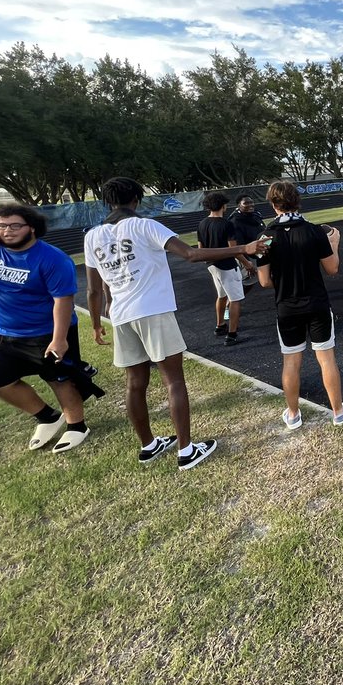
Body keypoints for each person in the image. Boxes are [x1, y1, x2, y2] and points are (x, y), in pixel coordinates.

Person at [85, 177, 269, 470]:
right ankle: (186, 451)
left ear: (107, 201)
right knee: (174, 380)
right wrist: (241, 250)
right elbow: (191, 254)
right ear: (136, 199)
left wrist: (96, 324)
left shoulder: (92, 236)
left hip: (120, 315)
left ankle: (147, 445)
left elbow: (95, 289)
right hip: (153, 310)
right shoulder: (144, 225)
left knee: (135, 384)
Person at [0, 204, 101, 454]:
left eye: (15, 225)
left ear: (32, 228)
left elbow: (63, 301)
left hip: (46, 331)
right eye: (1, 226)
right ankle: (48, 417)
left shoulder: (53, 258)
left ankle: (77, 426)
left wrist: (59, 339)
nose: (7, 231)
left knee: (59, 379)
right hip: (4, 332)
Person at [256, 180, 343, 431]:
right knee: (326, 359)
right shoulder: (314, 231)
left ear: (273, 204)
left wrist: (285, 281)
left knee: (291, 361)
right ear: (297, 201)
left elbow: (263, 281)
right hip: (316, 304)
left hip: (287, 307)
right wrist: (335, 244)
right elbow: (332, 268)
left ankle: (293, 415)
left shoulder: (265, 237)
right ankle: (338, 412)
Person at [197, 191, 247, 346]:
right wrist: (247, 263)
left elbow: (200, 248)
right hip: (227, 266)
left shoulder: (202, 223)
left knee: (221, 295)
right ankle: (232, 334)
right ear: (223, 205)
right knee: (236, 299)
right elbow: (234, 249)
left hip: (212, 265)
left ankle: (220, 326)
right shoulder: (227, 224)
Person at [227, 194, 266, 293]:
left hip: (261, 252)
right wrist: (246, 262)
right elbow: (235, 246)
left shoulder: (256, 215)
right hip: (248, 256)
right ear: (239, 205)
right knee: (247, 283)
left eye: (251, 202)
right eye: (246, 203)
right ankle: (230, 303)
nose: (250, 205)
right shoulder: (235, 221)